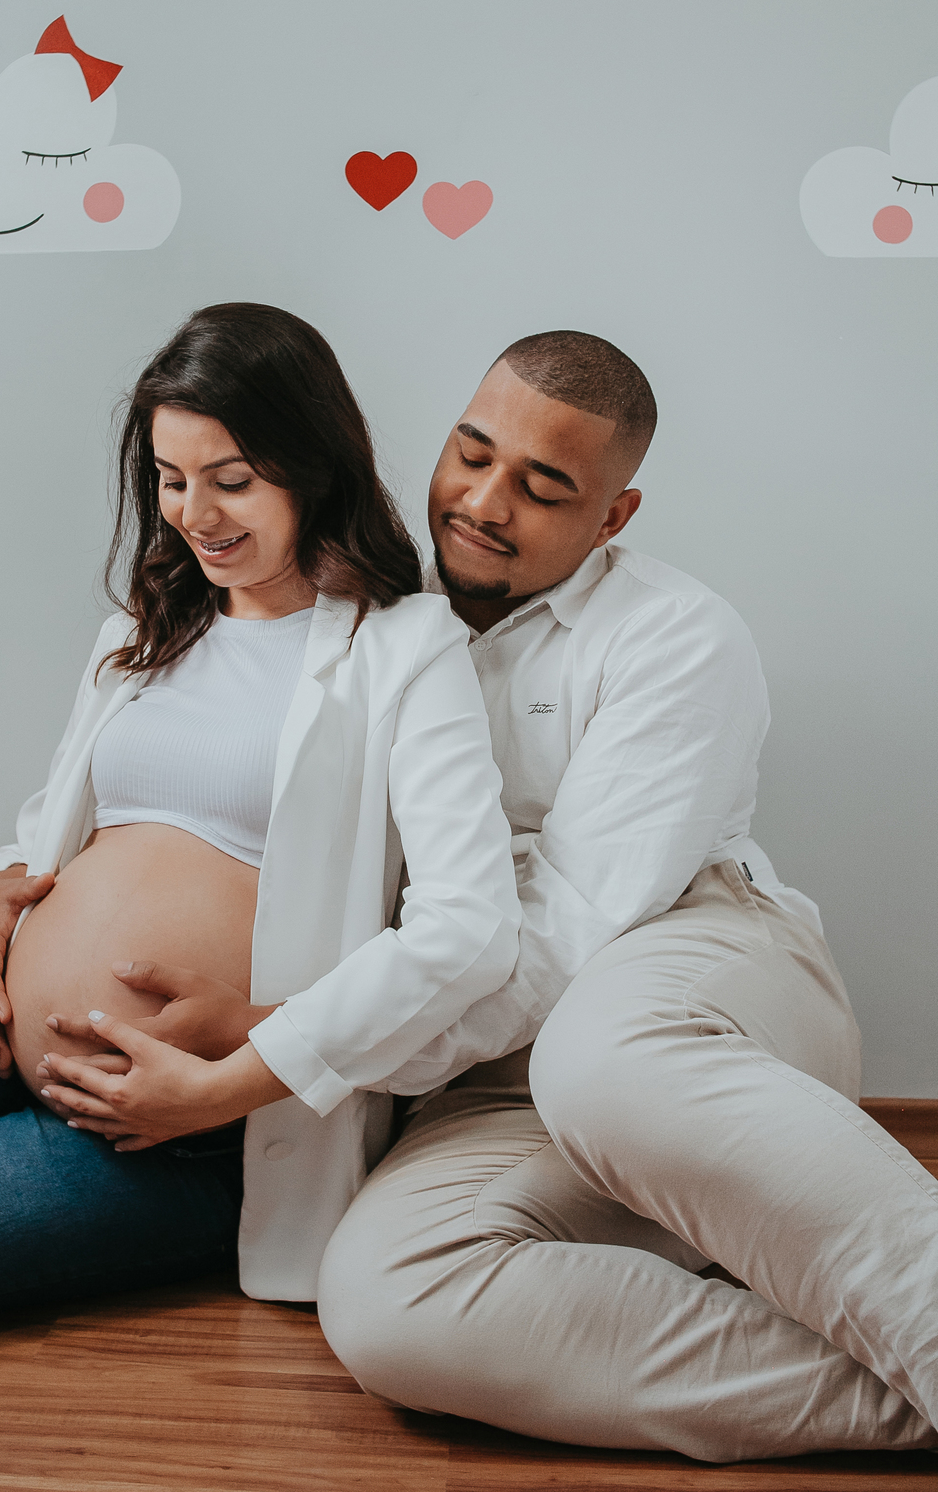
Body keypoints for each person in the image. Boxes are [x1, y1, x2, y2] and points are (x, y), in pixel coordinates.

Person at [0, 303, 521, 1341]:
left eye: (231, 479)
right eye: (170, 477)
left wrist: (244, 1067)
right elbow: (51, 834)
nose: (195, 513)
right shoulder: (144, 630)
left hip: (188, 1118)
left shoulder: (404, 646)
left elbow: (469, 928)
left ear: (313, 466)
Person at [315, 331, 938, 1462]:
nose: (483, 502)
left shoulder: (674, 633)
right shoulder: (371, 620)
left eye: (543, 488)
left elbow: (567, 934)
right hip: (491, 1076)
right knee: (382, 1304)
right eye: (471, 453)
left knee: (602, 1061)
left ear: (613, 518)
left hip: (691, 977)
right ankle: (902, 1398)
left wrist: (339, 1053)